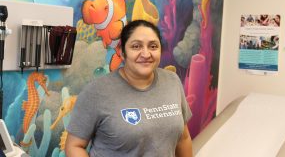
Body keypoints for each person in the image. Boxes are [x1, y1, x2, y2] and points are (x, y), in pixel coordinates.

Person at [65, 20, 193, 157]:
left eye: (153, 46)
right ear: (121, 51)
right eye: (136, 46)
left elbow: (183, 139)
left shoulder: (172, 81)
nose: (146, 54)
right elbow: (74, 146)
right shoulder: (96, 92)